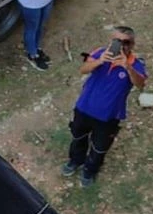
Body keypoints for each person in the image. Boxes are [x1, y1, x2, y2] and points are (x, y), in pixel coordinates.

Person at [60, 26, 147, 187]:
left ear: (132, 44)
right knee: (78, 137)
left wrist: (127, 67)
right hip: (84, 108)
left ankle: (90, 171)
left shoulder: (136, 64)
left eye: (126, 42)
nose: (121, 46)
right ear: (110, 41)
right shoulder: (100, 53)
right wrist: (100, 61)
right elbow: (83, 69)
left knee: (99, 148)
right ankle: (75, 161)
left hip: (109, 117)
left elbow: (141, 84)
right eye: (116, 41)